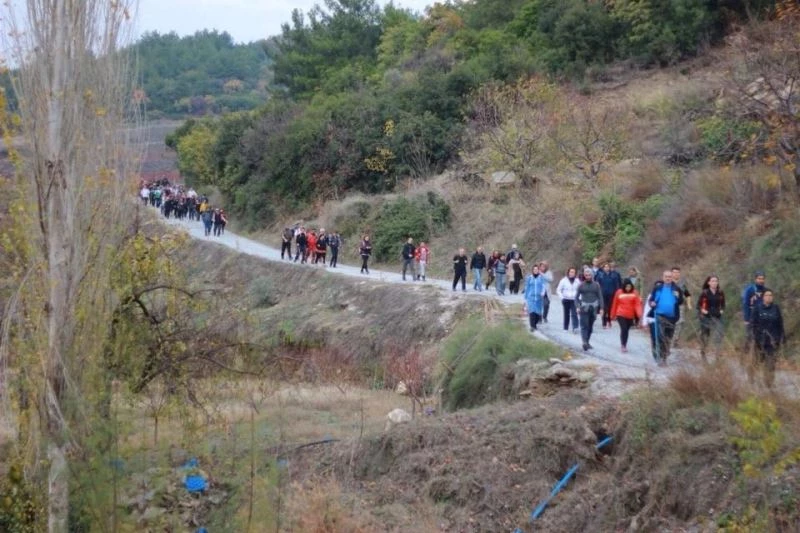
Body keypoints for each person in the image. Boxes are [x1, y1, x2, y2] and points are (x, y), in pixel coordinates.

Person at [647, 270, 685, 366]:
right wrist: (652, 303)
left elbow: (681, 301)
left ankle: (665, 354)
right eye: (666, 276)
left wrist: (678, 297)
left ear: (672, 278)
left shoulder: (676, 289)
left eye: (669, 277)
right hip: (660, 315)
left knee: (668, 338)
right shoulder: (658, 288)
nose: (668, 278)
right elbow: (651, 300)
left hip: (672, 317)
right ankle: (661, 358)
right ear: (663, 277)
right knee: (660, 336)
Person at [750, 289, 784, 388]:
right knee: (756, 361)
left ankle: (769, 383)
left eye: (771, 295)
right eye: (767, 295)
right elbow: (753, 324)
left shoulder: (776, 308)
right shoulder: (757, 308)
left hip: (772, 341)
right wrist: (753, 336)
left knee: (770, 363)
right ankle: (752, 380)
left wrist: (781, 337)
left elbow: (780, 324)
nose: (769, 297)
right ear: (763, 297)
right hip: (759, 340)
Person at [696, 275, 725, 361]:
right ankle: (703, 354)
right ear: (708, 282)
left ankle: (717, 356)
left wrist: (722, 310)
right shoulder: (704, 293)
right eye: (712, 281)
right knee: (705, 336)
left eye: (716, 281)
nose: (714, 282)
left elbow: (723, 304)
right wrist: (703, 310)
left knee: (719, 335)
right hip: (706, 317)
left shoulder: (720, 292)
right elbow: (698, 305)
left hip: (717, 317)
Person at [610, 279, 642, 353]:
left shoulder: (635, 293)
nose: (628, 288)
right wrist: (612, 315)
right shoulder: (619, 292)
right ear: (624, 286)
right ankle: (623, 345)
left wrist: (639, 314)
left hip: (630, 315)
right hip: (620, 313)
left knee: (626, 330)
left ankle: (624, 343)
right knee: (624, 329)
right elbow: (615, 304)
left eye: (629, 287)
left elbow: (637, 304)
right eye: (627, 287)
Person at [742, 271, 769, 352]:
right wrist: (746, 319)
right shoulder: (750, 289)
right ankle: (745, 354)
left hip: (762, 318)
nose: (761, 280)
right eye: (759, 278)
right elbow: (745, 304)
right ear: (755, 279)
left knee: (761, 337)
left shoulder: (765, 290)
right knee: (750, 337)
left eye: (762, 279)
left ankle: (758, 357)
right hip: (751, 317)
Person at [577, 268, 603, 351]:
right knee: (584, 326)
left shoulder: (596, 285)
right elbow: (576, 298)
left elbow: (600, 297)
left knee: (590, 327)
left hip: (593, 309)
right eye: (586, 275)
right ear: (584, 276)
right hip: (584, 308)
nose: (588, 277)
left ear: (592, 275)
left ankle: (587, 342)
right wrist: (577, 306)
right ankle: (584, 342)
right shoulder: (581, 285)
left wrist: (602, 308)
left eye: (589, 275)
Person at [670, 266, 692, 348]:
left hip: (680, 305)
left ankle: (675, 341)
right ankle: (668, 339)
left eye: (678, 272)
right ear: (671, 273)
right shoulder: (668, 283)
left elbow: (688, 295)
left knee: (680, 322)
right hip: (670, 306)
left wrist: (689, 304)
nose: (676, 274)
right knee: (671, 322)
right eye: (674, 272)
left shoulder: (682, 284)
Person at [595, 262, 622, 328]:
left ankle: (609, 320)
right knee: (604, 308)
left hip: (611, 294)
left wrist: (617, 292)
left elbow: (617, 285)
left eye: (608, 267)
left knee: (610, 308)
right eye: (605, 267)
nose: (606, 268)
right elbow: (597, 284)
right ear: (603, 268)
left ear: (609, 268)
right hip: (602, 294)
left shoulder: (613, 275)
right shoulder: (600, 275)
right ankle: (604, 322)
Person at [556, 267, 580, 333]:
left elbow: (580, 291)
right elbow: (558, 290)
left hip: (574, 299)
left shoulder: (577, 281)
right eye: (571, 272)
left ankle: (575, 327)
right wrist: (562, 298)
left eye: (573, 272)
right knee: (566, 314)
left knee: (574, 313)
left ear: (575, 273)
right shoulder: (563, 280)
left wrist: (579, 299)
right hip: (566, 299)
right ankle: (565, 327)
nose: (572, 273)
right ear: (568, 272)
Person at [524, 264, 546, 331]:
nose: (535, 270)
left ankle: (535, 324)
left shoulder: (541, 278)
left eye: (537, 269)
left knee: (537, 313)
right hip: (531, 297)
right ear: (532, 270)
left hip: (539, 298)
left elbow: (543, 286)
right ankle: (532, 326)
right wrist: (526, 297)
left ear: (538, 270)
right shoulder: (529, 278)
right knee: (532, 312)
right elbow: (527, 287)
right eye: (534, 269)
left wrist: (542, 293)